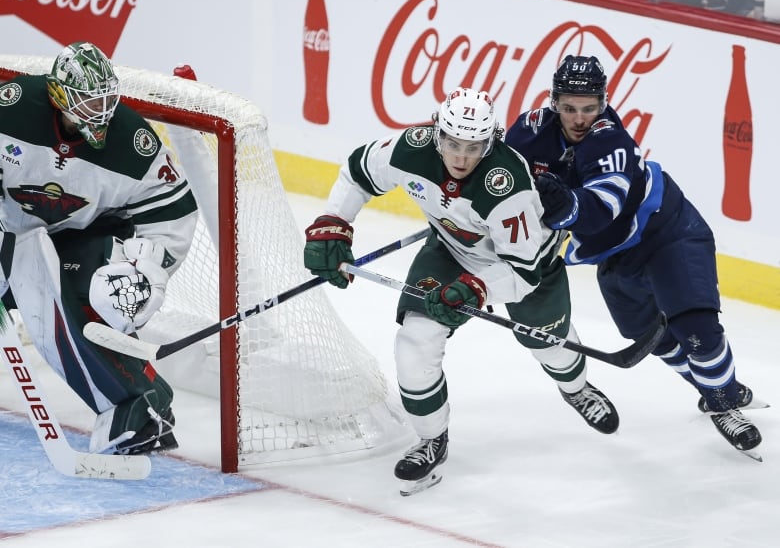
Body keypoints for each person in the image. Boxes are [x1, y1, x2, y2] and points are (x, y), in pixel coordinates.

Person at [303, 87, 620, 496]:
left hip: (524, 269)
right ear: (437, 133)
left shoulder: (508, 188)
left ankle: (577, 390)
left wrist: (477, 289)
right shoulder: (411, 148)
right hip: (450, 252)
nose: (460, 157)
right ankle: (432, 440)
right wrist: (335, 220)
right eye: (452, 143)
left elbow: (522, 272)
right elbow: (358, 170)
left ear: (491, 143)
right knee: (415, 342)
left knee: (548, 345)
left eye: (474, 147)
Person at [504, 55, 762, 457]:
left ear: (603, 104)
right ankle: (713, 387)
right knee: (649, 338)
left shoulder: (610, 139)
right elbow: (497, 176)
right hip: (612, 252)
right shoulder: (530, 130)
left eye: (589, 108)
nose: (579, 118)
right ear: (554, 101)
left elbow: (598, 210)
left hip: (666, 231)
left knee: (696, 327)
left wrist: (565, 206)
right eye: (569, 107)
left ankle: (724, 403)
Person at [0, 41, 198, 455]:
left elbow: (173, 215)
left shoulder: (134, 143)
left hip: (85, 236)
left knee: (102, 296)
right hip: (11, 228)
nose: (100, 112)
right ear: (58, 96)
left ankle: (140, 408)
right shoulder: (11, 106)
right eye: (87, 103)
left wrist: (148, 271)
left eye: (105, 100)